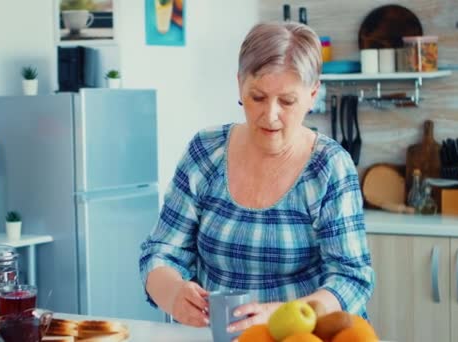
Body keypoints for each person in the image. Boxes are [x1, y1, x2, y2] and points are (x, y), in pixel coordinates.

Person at [139, 21, 374, 333]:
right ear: (239, 85)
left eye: (287, 101)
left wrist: (285, 314)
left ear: (313, 94)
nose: (270, 114)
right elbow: (160, 252)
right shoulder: (206, 151)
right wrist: (174, 295)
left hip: (301, 337)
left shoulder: (329, 166)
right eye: (258, 97)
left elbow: (352, 279)